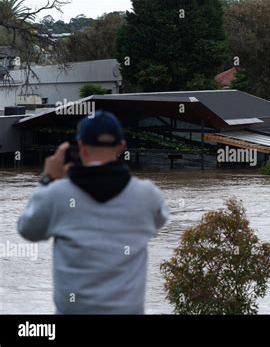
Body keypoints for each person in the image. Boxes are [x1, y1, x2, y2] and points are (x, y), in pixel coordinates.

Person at [17, 111, 170, 314]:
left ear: (80, 147)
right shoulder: (147, 195)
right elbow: (159, 221)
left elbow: (28, 229)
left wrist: (48, 179)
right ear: (122, 147)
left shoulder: (56, 195)